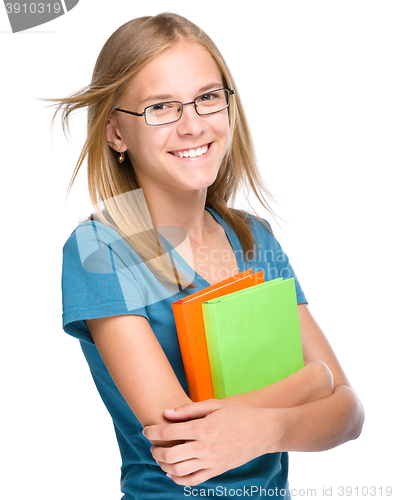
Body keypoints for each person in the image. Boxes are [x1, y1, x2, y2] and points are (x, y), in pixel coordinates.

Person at [54, 12, 364, 500]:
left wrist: (266, 429)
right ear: (116, 133)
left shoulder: (254, 239)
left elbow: (348, 413)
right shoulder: (100, 250)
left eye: (207, 98)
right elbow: (181, 444)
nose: (192, 125)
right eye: (161, 107)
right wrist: (310, 384)